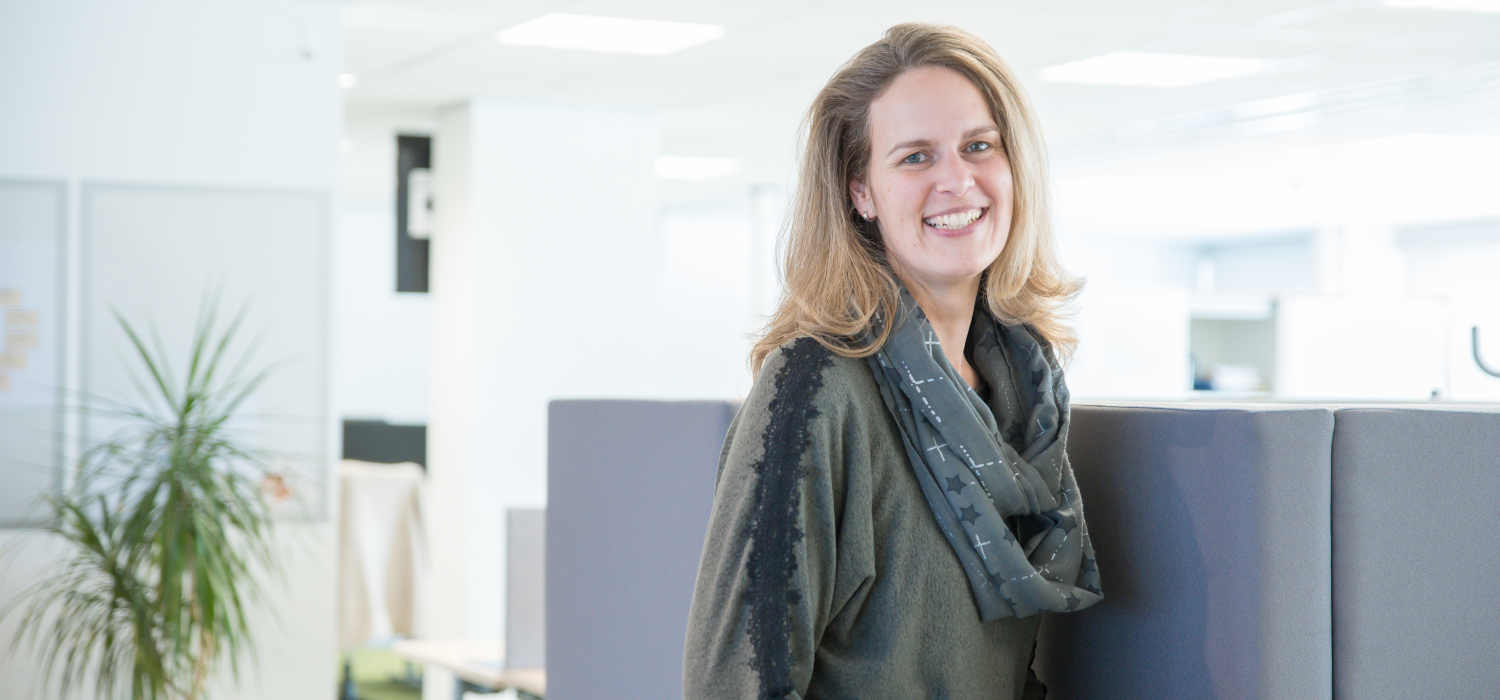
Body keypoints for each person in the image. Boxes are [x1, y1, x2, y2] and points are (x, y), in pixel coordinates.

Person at [683, 23, 1102, 700]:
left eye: (978, 146)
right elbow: (736, 684)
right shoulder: (817, 386)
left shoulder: (1025, 397)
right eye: (915, 157)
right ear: (862, 193)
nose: (957, 179)